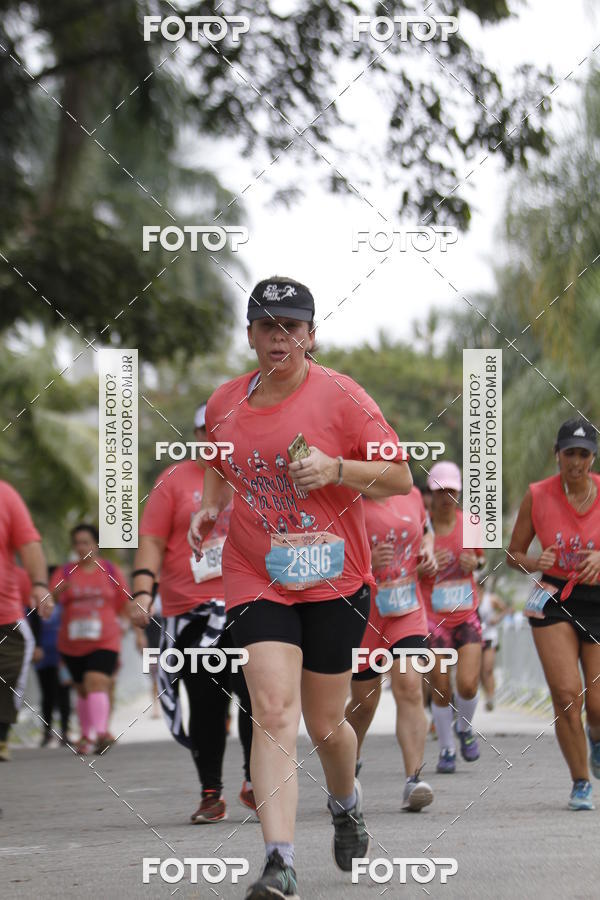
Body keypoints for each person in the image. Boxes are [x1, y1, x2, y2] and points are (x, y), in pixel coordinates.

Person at [188, 277, 412, 899]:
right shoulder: (225, 402)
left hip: (335, 575)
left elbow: (399, 475)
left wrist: (335, 468)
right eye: (266, 325)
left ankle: (346, 803)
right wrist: (210, 508)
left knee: (325, 725)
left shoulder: (342, 397)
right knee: (273, 711)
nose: (278, 337)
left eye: (291, 326)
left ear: (311, 335)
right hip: (256, 572)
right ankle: (279, 860)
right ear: (250, 334)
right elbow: (220, 463)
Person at [131, 404, 255, 824]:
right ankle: (210, 793)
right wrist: (143, 592)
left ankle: (256, 781)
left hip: (247, 604)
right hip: (191, 614)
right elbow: (150, 540)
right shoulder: (174, 481)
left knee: (258, 696)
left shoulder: (249, 475)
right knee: (205, 703)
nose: (212, 436)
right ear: (196, 434)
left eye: (220, 429)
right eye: (205, 430)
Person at [507, 418, 600, 810]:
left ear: (592, 457)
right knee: (566, 696)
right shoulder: (538, 495)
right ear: (556, 454)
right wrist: (534, 559)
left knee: (596, 704)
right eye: (569, 454)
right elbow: (514, 554)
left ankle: (594, 737)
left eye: (583, 454)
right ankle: (580, 781)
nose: (575, 462)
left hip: (597, 600)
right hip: (554, 598)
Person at [345, 488, 437, 810]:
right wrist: (367, 559)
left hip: (406, 607)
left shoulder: (409, 493)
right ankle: (345, 768)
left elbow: (425, 533)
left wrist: (428, 552)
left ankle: (414, 780)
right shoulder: (348, 500)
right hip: (363, 611)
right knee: (364, 702)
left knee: (410, 686)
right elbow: (328, 552)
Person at [420, 461, 485, 774]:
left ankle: (465, 727)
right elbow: (406, 570)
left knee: (469, 685)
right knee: (441, 687)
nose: (447, 497)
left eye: (452, 490)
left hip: (467, 614)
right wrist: (424, 567)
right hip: (433, 620)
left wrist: (474, 563)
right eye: (440, 491)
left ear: (459, 492)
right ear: (431, 494)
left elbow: (481, 562)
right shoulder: (421, 527)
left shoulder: (471, 523)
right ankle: (446, 749)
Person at [50, 524, 130, 755]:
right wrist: (56, 593)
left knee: (96, 680)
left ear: (96, 545)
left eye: (86, 542)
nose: (81, 547)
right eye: (77, 543)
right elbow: (47, 602)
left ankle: (101, 733)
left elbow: (125, 603)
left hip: (105, 638)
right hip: (72, 641)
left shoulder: (110, 571)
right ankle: (87, 735)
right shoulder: (64, 572)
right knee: (81, 688)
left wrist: (135, 631)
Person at [0, 480, 51, 761]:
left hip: (4, 617)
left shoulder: (5, 495)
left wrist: (40, 585)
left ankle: (1, 736)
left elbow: (29, 544)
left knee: (8, 680)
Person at [24, 565, 72, 745]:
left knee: (64, 692)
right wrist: (35, 646)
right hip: (44, 655)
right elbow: (30, 626)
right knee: (47, 694)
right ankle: (47, 732)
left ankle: (65, 733)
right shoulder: (36, 605)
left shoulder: (67, 604)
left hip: (64, 656)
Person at [478, 582, 509, 711]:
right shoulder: (468, 598)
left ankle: (490, 698)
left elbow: (506, 609)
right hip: (473, 639)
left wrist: (497, 618)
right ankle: (483, 692)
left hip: (489, 636)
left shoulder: (490, 599)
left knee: (488, 669)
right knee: (479, 671)